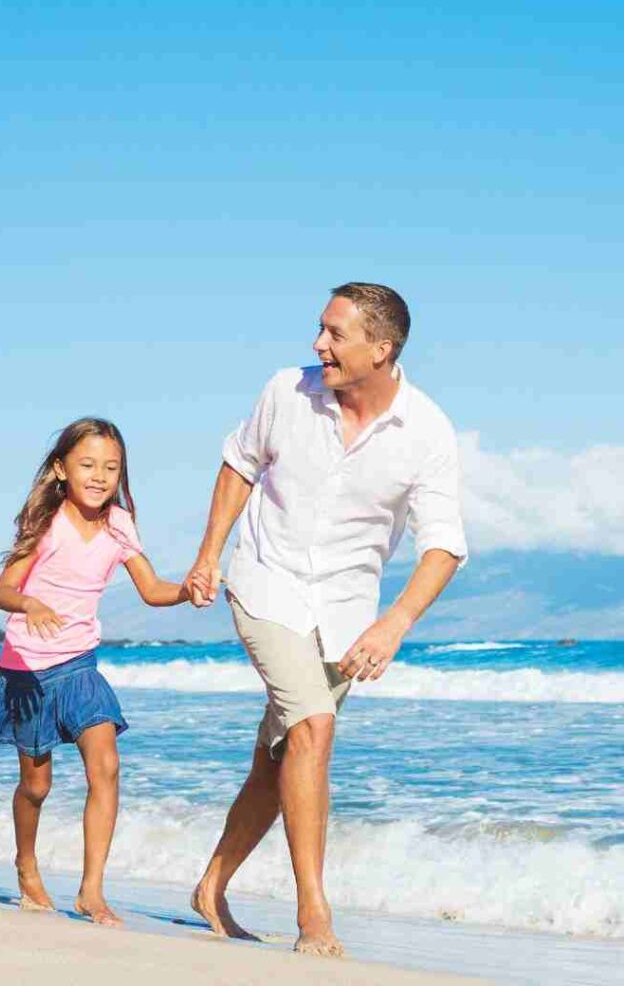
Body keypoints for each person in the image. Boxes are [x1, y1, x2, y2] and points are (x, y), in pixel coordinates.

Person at [184, 283, 467, 955]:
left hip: (344, 614)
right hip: (264, 584)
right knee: (313, 729)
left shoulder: (427, 430)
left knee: (278, 759)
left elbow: (444, 544)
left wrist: (393, 624)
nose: (319, 345)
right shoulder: (287, 391)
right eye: (320, 329)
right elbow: (238, 465)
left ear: (381, 348)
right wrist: (209, 555)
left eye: (335, 335)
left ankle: (211, 886)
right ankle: (315, 914)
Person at [0, 418, 189, 926]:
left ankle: (91, 891)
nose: (99, 476)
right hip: (28, 670)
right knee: (36, 787)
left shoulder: (120, 525)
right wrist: (30, 604)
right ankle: (26, 863)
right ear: (61, 469)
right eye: (88, 464)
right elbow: (0, 592)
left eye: (111, 467)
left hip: (79, 664)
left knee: (107, 765)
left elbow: (152, 590)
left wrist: (190, 590)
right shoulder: (46, 524)